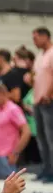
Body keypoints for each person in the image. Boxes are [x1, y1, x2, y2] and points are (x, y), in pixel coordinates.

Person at [0, 84, 31, 179]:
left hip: (6, 157)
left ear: (2, 94)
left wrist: (16, 152)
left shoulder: (13, 109)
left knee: (8, 185)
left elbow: (26, 131)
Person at [33, 27, 53, 182]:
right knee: (42, 138)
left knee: (50, 137)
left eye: (36, 38)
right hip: (38, 100)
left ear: (45, 37)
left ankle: (51, 170)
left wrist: (48, 93)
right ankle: (45, 168)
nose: (34, 41)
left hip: (48, 100)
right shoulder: (40, 55)